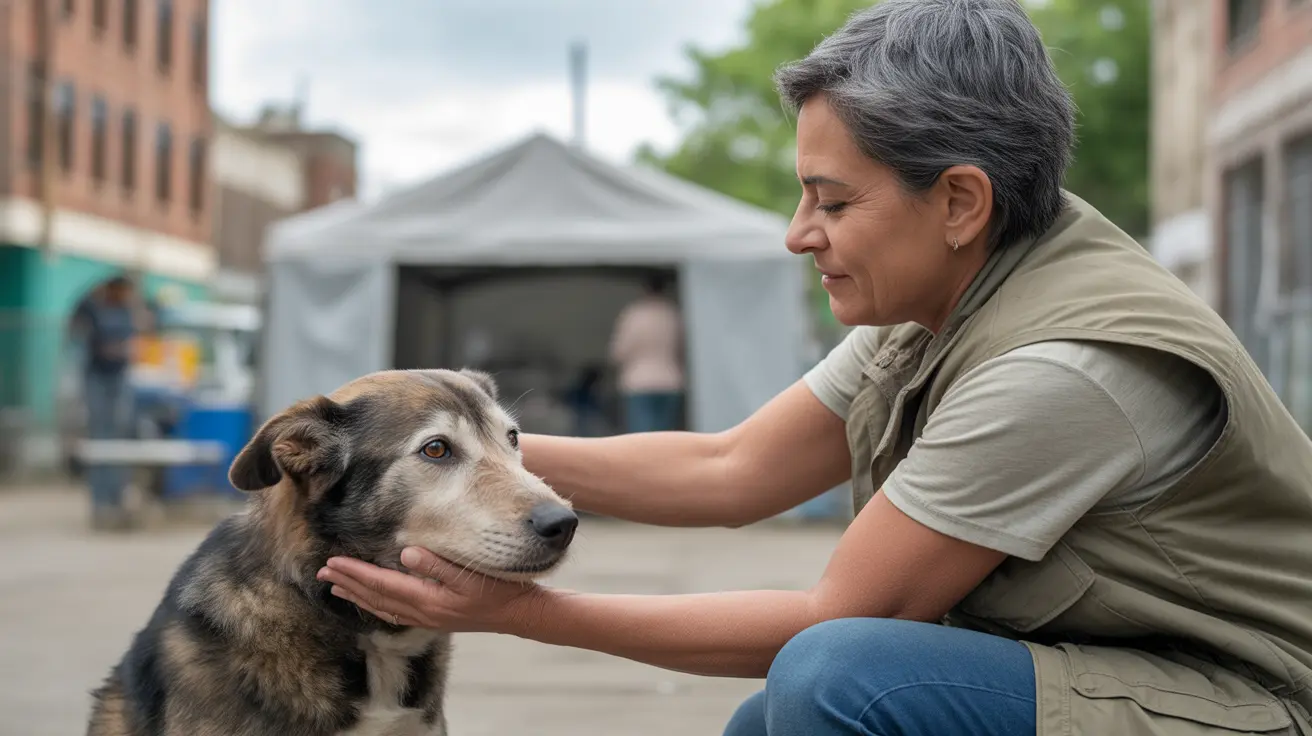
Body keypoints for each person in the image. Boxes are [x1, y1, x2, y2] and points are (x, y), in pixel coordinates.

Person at [314, 1, 1312, 734]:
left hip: (1249, 699)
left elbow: (837, 618)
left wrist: (522, 610)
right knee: (768, 724)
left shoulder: (1066, 367)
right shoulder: (953, 282)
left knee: (841, 680)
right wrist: (459, 445)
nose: (799, 235)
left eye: (831, 203)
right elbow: (731, 468)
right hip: (1122, 664)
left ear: (958, 201)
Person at [71, 275, 141, 531]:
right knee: (101, 438)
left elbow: (135, 336)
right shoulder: (94, 308)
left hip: (119, 377)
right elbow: (78, 322)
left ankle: (117, 498)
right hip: (97, 378)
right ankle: (100, 503)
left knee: (120, 437)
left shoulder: (126, 312)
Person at [608, 273, 685, 433]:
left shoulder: (634, 315)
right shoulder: (673, 314)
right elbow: (683, 349)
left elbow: (619, 351)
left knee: (641, 435)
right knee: (666, 434)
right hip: (670, 380)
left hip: (639, 382)